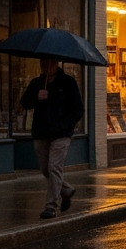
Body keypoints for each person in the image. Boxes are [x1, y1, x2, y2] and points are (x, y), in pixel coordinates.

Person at [20, 58, 84, 219]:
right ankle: (66, 189)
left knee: (54, 167)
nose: (46, 67)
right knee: (45, 168)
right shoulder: (37, 83)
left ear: (56, 64)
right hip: (41, 133)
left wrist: (66, 125)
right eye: (43, 64)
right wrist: (37, 97)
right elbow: (24, 103)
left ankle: (51, 206)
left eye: (49, 64)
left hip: (61, 134)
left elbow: (78, 109)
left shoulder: (68, 83)